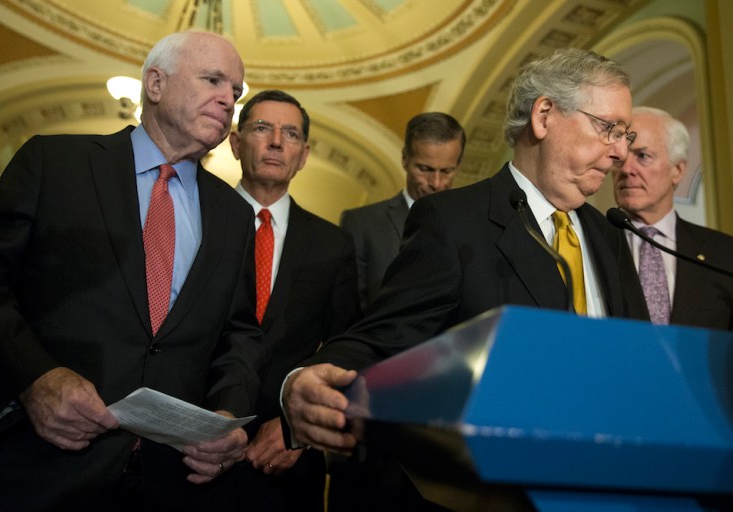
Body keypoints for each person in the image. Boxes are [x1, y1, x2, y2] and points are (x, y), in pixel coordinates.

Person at [282, 48, 650, 511]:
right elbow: (384, 339)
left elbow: (638, 361)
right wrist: (301, 381)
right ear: (544, 115)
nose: (620, 150)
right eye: (608, 128)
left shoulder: (611, 233)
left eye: (625, 133)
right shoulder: (453, 221)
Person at [0, 30, 266, 510]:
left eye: (236, 90)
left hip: (173, 482)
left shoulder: (232, 213)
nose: (228, 99)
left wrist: (226, 415)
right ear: (155, 83)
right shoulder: (55, 163)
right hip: (38, 468)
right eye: (212, 79)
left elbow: (239, 334)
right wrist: (32, 376)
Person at [206, 89, 359, 511]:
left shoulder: (333, 244)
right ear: (235, 144)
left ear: (303, 154)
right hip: (192, 450)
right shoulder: (196, 218)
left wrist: (298, 430)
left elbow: (346, 351)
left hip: (284, 461)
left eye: (290, 134)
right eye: (261, 128)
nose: (276, 142)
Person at [612, 106, 733, 329]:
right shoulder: (591, 243)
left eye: (642, 156)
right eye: (619, 158)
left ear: (677, 170)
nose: (627, 169)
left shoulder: (724, 254)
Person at [339, 113, 465, 311]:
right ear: (405, 159)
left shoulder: (471, 225)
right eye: (425, 169)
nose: (436, 183)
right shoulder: (362, 224)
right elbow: (349, 311)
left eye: (447, 171)